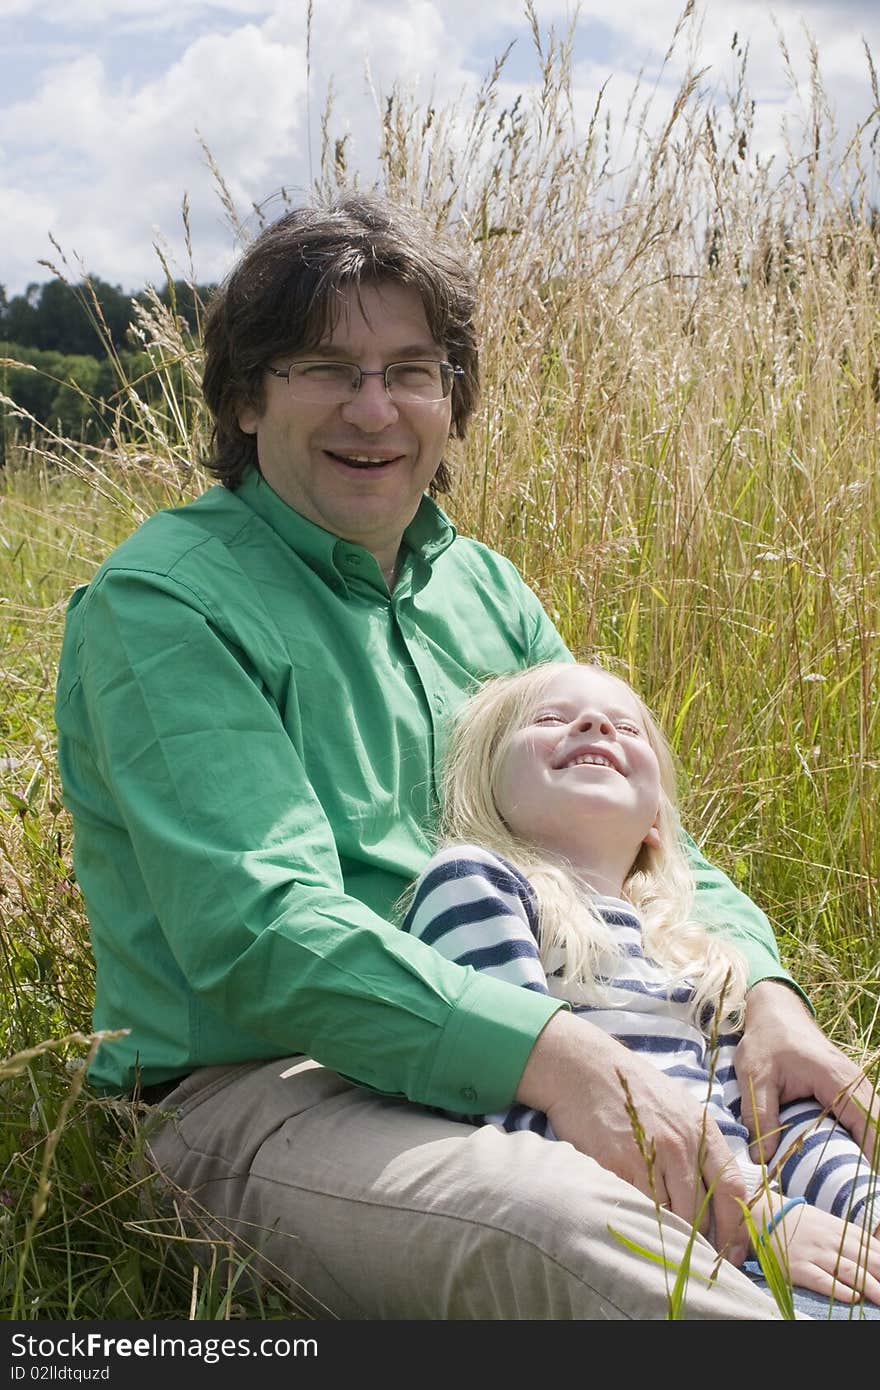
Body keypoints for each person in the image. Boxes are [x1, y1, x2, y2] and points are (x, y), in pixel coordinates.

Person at [54, 191, 879, 1320]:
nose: (375, 408)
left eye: (411, 369)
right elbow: (258, 932)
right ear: (246, 397)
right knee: (567, 1226)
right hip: (272, 1086)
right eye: (324, 367)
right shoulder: (164, 603)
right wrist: (567, 1065)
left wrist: (767, 995)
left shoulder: (481, 589)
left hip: (575, 1037)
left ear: (451, 399)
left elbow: (642, 836)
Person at [400, 659, 880, 1309]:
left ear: (656, 820)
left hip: (766, 1234)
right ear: (485, 789)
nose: (596, 724)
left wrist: (861, 1213)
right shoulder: (476, 885)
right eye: (549, 719)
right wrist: (756, 1219)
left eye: (629, 730)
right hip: (638, 1246)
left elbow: (776, 1123)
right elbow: (498, 1101)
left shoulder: (690, 949)